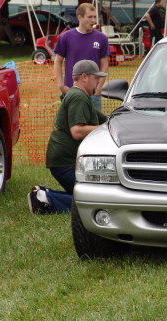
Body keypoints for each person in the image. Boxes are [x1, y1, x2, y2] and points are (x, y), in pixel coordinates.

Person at [28, 60, 108, 215]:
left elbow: (104, 119)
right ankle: (47, 200)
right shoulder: (78, 97)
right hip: (65, 163)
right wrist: (104, 129)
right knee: (94, 200)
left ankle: (44, 193)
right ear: (85, 77)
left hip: (64, 161)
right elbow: (77, 131)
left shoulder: (81, 96)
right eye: (95, 77)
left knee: (91, 195)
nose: (98, 81)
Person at [54, 3, 109, 111]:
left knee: (94, 127)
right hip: (72, 92)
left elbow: (105, 63)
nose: (93, 21)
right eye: (90, 17)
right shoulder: (66, 37)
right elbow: (58, 61)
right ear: (80, 17)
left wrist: (99, 88)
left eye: (94, 17)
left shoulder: (102, 38)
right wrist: (61, 85)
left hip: (93, 94)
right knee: (73, 126)